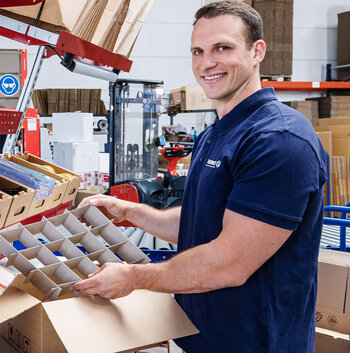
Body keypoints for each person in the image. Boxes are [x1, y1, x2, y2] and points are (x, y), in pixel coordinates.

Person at [69, 2, 327, 352]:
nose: (207, 63)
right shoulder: (215, 134)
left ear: (257, 52)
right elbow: (206, 223)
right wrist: (133, 213)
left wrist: (134, 278)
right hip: (200, 336)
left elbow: (228, 264)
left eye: (223, 48)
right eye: (198, 51)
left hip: (257, 343)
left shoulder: (278, 141)